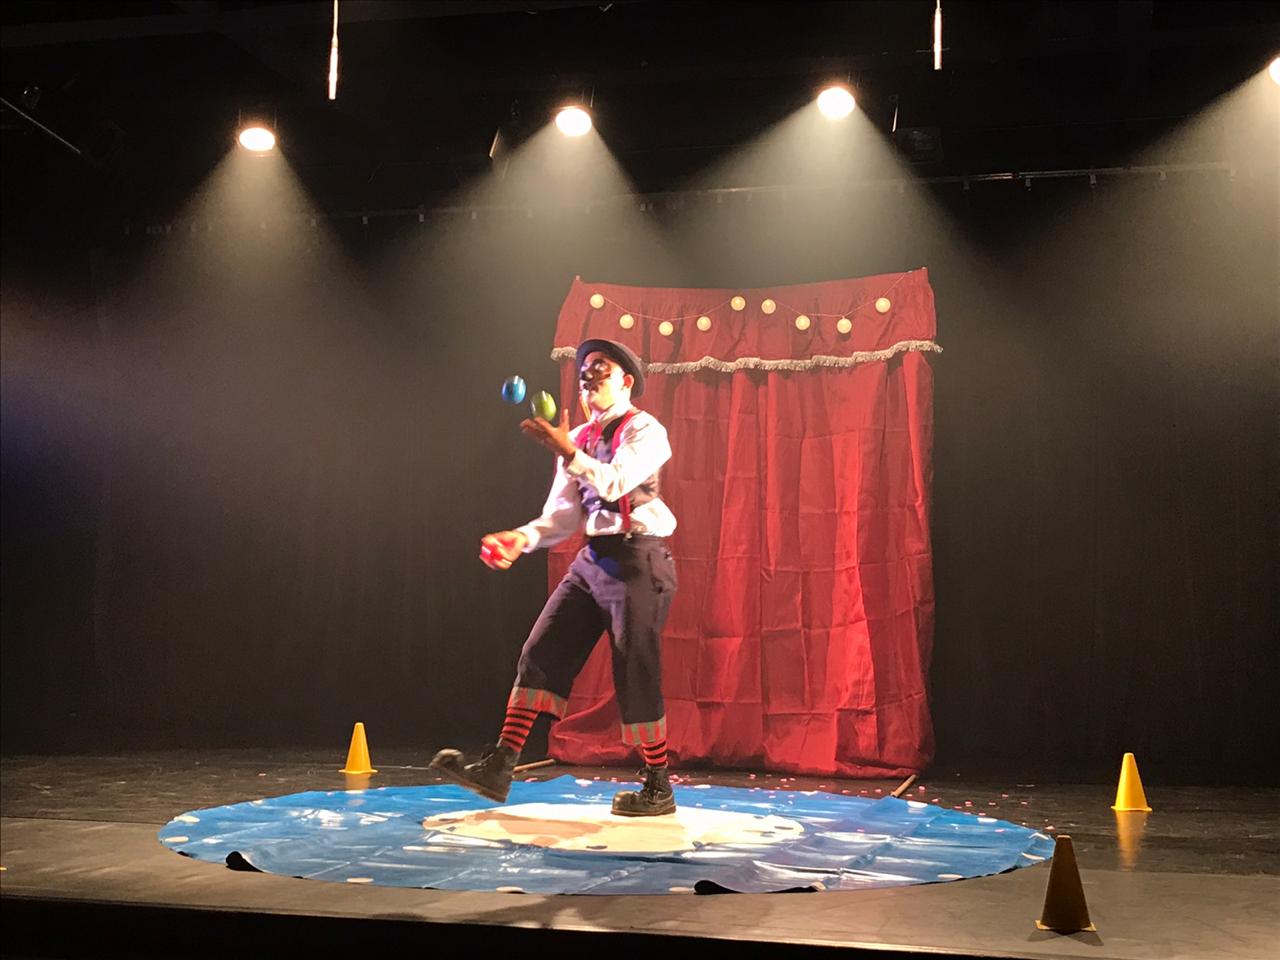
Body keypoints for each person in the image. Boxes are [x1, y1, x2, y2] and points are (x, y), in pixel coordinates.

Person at [430, 338, 679, 816]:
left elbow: (616, 481)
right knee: (540, 652)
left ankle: (658, 785)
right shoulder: (578, 437)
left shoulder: (646, 429)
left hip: (640, 559)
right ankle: (499, 766)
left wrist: (569, 451)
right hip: (594, 559)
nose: (588, 377)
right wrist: (521, 538)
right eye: (583, 372)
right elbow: (563, 516)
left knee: (635, 668)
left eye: (600, 368)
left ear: (626, 381)